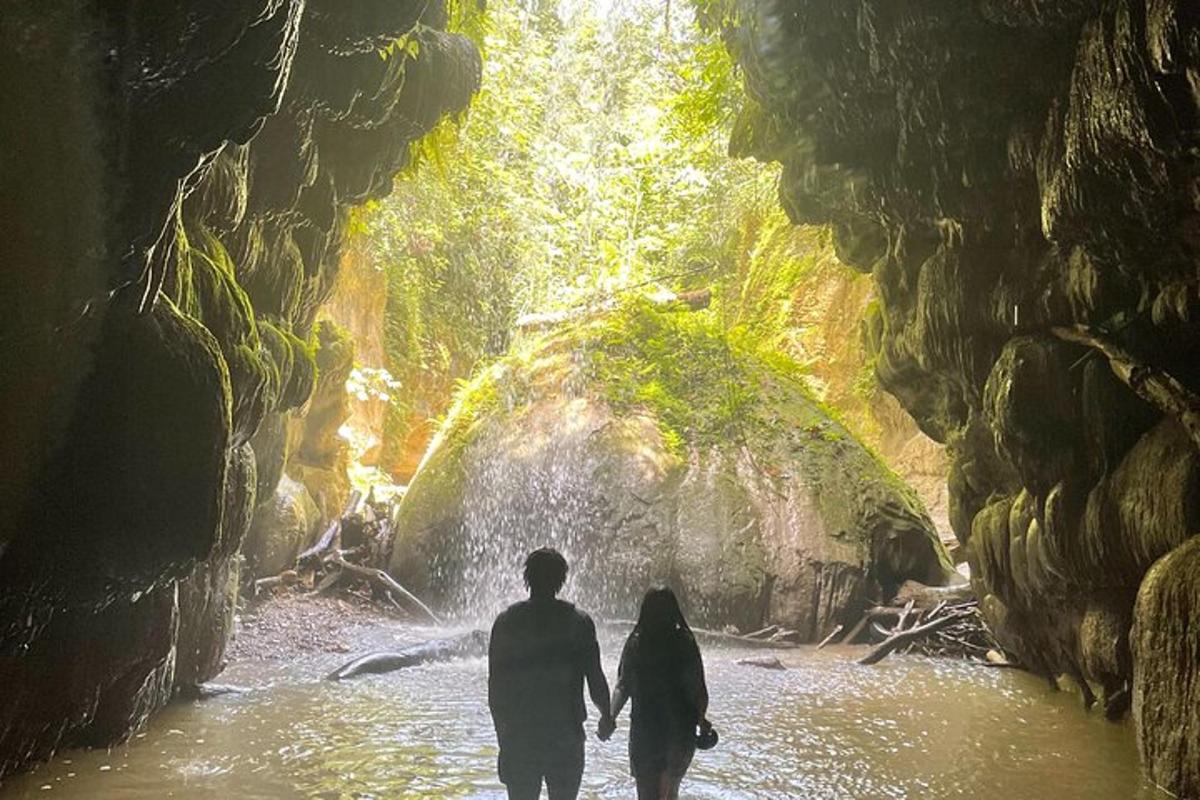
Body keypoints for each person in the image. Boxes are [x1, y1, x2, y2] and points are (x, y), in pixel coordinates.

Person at [488, 547, 615, 800]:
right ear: (562, 580)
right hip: (565, 734)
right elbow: (595, 678)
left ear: (527, 578)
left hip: (520, 734)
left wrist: (503, 736)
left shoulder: (506, 622)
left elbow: (496, 689)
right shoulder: (579, 623)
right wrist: (607, 715)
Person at [611, 587, 710, 800]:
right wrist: (701, 721)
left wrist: (610, 716)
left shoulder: (637, 642)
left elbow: (622, 685)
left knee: (646, 795)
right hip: (680, 730)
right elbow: (698, 688)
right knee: (670, 792)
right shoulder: (685, 642)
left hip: (645, 729)